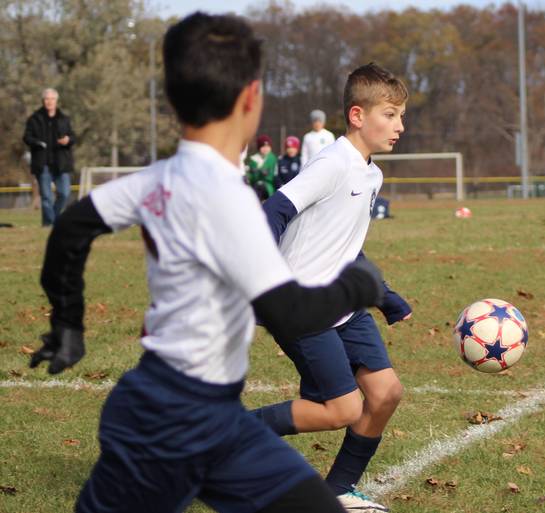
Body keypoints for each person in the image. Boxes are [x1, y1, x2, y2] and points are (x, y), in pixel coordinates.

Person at [28, 13, 385, 513]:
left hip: (211, 420)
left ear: (174, 101)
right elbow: (288, 313)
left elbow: (71, 229)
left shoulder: (160, 177)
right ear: (250, 100)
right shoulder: (228, 199)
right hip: (168, 422)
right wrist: (358, 287)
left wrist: (67, 322)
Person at [254, 62, 411, 513]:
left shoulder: (371, 173)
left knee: (385, 394)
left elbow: (346, 248)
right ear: (358, 115)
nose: (399, 126)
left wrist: (385, 298)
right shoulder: (333, 162)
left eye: (401, 116)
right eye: (391, 115)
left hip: (343, 303)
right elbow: (273, 210)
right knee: (341, 409)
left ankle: (338, 490)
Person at [23, 88, 76, 226]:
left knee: (64, 193)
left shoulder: (64, 119)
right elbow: (27, 137)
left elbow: (73, 137)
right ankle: (49, 225)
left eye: (52, 99)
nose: (49, 101)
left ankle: (53, 220)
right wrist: (36, 143)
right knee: (46, 196)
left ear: (56, 101)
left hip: (61, 163)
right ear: (43, 101)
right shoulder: (34, 119)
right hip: (43, 163)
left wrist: (68, 140)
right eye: (47, 99)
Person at [246, 134, 277, 200]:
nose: (265, 149)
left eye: (267, 146)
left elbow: (273, 175)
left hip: (267, 186)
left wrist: (266, 173)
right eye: (263, 146)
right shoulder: (253, 159)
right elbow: (250, 176)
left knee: (261, 189)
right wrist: (251, 174)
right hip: (255, 185)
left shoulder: (273, 158)